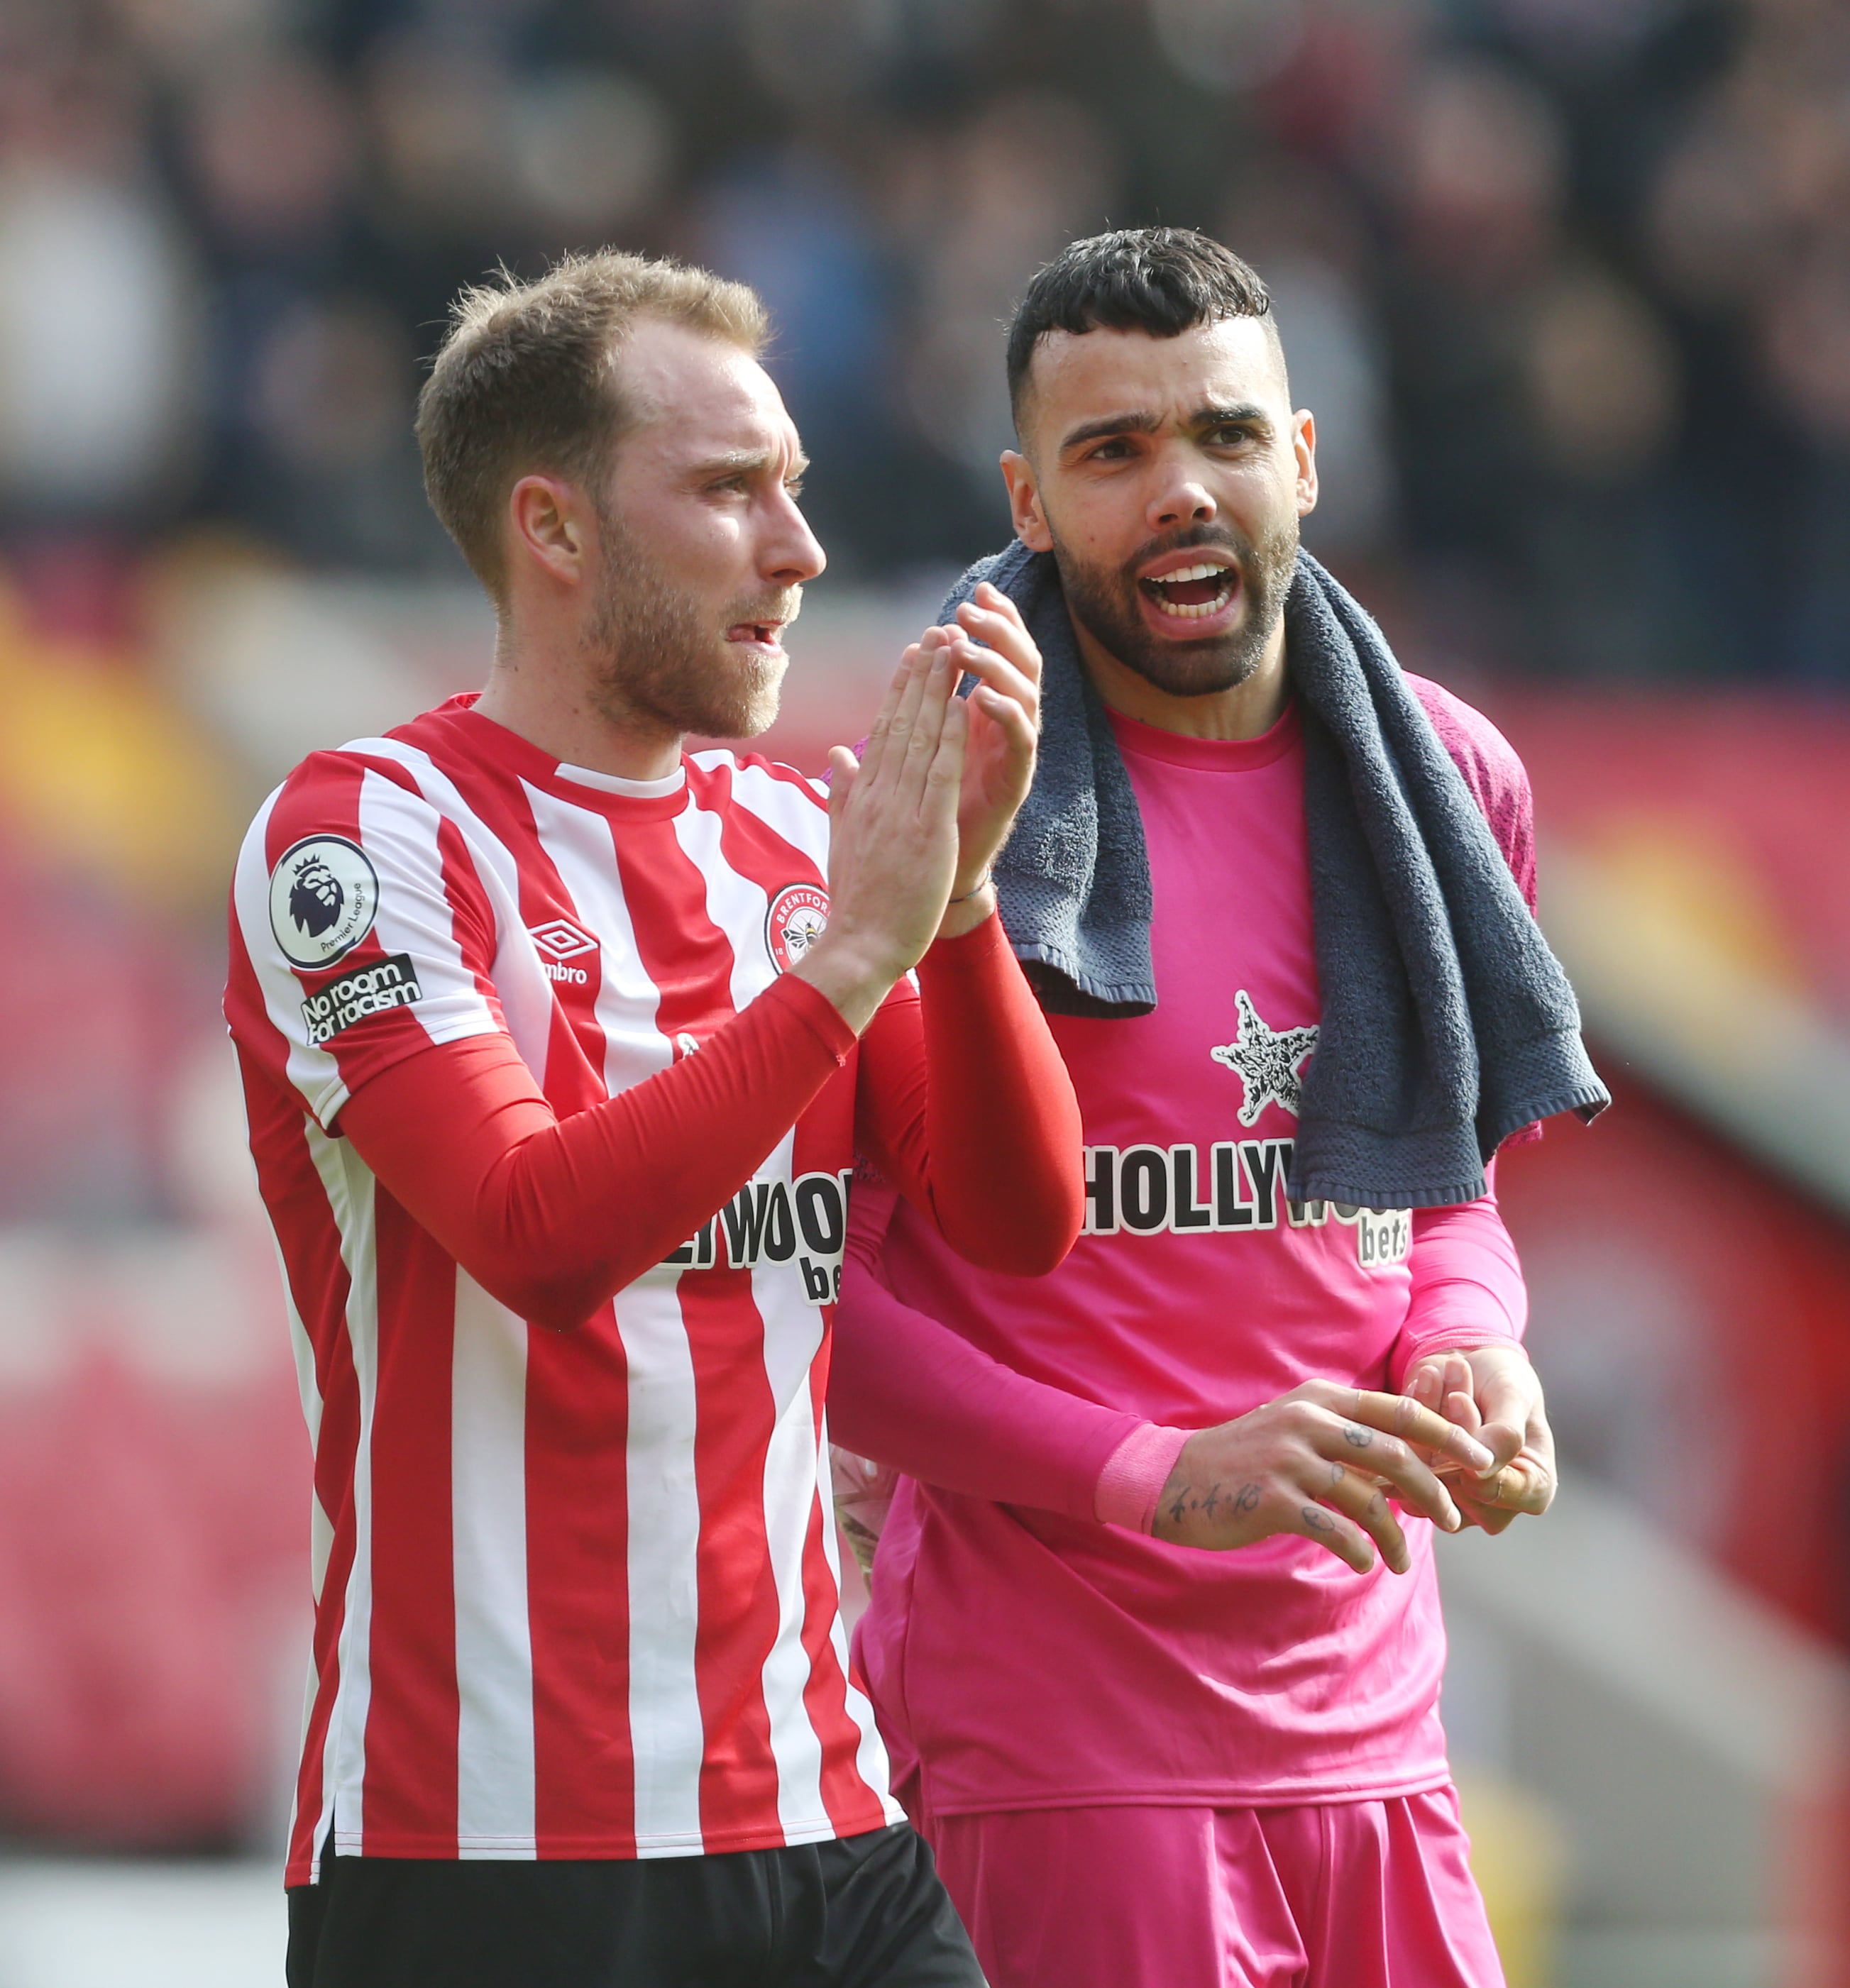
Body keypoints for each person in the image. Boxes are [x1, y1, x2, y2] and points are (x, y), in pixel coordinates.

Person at [224, 248, 1086, 1988]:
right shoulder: (366, 836)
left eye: (795, 486)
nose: (799, 550)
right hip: (487, 1849)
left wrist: (967, 907)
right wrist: (855, 958)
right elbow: (537, 1233)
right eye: (726, 492)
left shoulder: (788, 841)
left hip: (819, 1815)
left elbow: (1018, 1223)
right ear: (553, 531)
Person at [830, 228, 1608, 1988]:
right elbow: (824, 1309)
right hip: (1064, 1755)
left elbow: (1439, 1189)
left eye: (1223, 436)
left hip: (1379, 1731)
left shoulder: (1441, 776)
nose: (1178, 490)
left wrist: (1469, 1342)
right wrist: (1152, 1475)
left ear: (1306, 461)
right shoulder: (929, 802)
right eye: (1112, 454)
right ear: (1026, 502)